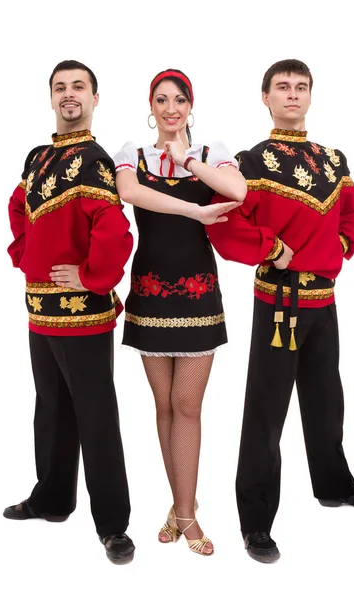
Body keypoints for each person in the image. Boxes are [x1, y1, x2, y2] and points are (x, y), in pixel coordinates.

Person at [206, 59, 354, 563]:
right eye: (282, 87)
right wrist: (270, 248)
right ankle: (256, 521)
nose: (292, 94)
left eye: (300, 87)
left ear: (310, 96)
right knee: (266, 411)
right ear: (265, 97)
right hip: (278, 302)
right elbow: (223, 225)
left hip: (323, 300)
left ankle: (334, 485)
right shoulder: (252, 161)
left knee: (327, 399)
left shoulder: (333, 159)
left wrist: (343, 244)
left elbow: (351, 209)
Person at [5, 60, 135, 565]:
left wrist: (91, 274)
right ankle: (53, 498)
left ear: (95, 98)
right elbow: (18, 208)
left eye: (78, 86)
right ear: (51, 98)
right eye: (60, 88)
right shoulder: (38, 158)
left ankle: (113, 525)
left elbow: (115, 229)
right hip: (40, 308)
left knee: (96, 415)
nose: (68, 94)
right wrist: (26, 256)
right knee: (51, 406)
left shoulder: (96, 160)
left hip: (84, 313)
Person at [113, 68, 246, 556]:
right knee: (164, 406)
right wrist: (194, 210)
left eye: (180, 100)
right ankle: (178, 505)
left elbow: (238, 192)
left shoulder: (210, 154)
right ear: (152, 106)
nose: (171, 108)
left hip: (197, 294)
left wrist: (187, 160)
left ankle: (186, 515)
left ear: (191, 106)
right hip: (149, 292)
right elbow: (130, 193)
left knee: (188, 407)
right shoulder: (132, 154)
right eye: (162, 100)